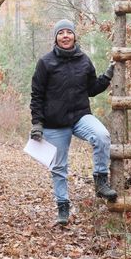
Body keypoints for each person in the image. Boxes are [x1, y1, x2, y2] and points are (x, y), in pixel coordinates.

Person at [30, 19, 117, 226]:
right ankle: (63, 208)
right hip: (54, 123)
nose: (66, 36)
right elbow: (37, 95)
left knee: (102, 135)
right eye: (61, 33)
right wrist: (37, 123)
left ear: (75, 36)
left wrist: (106, 77)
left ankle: (101, 180)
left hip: (79, 116)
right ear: (56, 37)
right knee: (59, 167)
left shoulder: (84, 60)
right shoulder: (45, 62)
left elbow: (92, 89)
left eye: (69, 32)